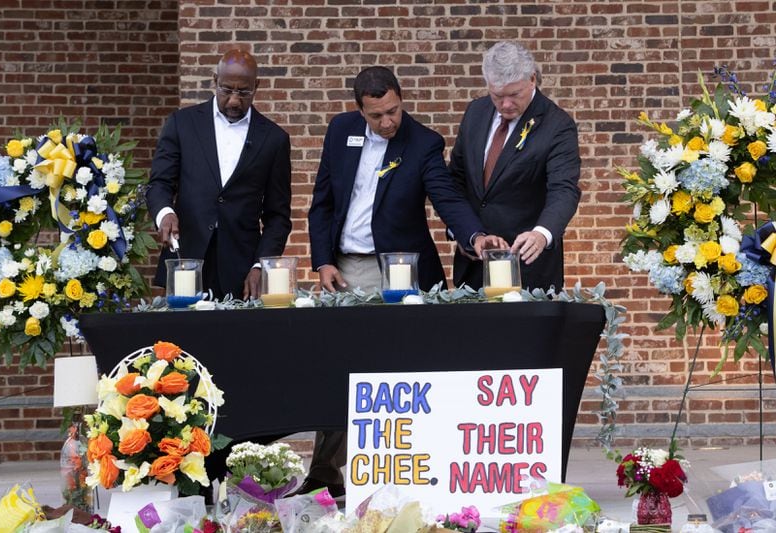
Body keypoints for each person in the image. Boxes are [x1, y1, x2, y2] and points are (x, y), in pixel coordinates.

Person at [300, 66, 506, 497]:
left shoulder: (424, 142)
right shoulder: (340, 131)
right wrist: (322, 261)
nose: (388, 122)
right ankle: (325, 474)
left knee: (404, 372)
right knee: (340, 367)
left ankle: (411, 471)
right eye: (377, 116)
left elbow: (445, 196)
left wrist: (474, 235)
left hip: (401, 270)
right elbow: (321, 203)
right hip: (346, 268)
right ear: (361, 110)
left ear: (400, 99)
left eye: (393, 111)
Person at [146, 49, 292, 300]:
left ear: (256, 86)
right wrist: (164, 213)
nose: (234, 100)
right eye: (227, 90)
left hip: (242, 271)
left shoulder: (274, 139)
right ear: (215, 81)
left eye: (244, 92)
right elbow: (159, 183)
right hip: (186, 262)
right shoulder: (183, 123)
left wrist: (260, 265)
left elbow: (277, 216)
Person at [449, 41, 581, 293]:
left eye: (514, 95)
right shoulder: (476, 112)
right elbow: (456, 178)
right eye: (497, 96)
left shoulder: (557, 125)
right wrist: (468, 233)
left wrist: (542, 234)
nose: (506, 105)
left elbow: (564, 189)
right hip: (474, 265)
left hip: (527, 268)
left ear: (532, 79)